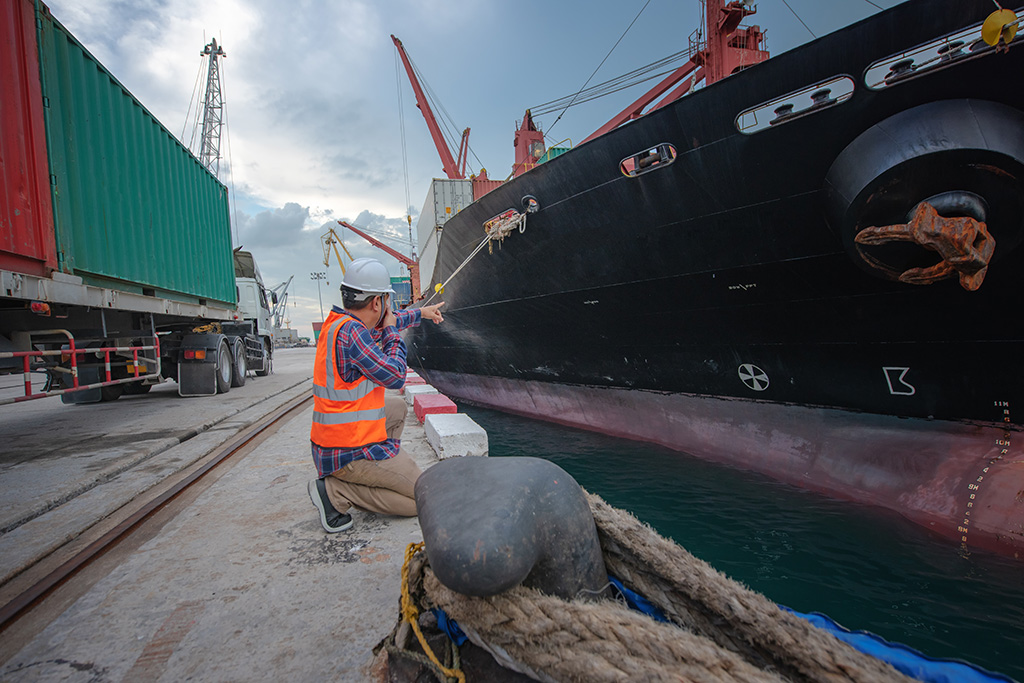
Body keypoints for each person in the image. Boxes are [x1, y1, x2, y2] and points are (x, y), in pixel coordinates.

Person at [307, 257, 444, 532]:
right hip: (348, 449)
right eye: (386, 300)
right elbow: (395, 375)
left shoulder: (338, 324)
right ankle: (336, 492)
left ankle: (381, 473)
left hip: (332, 440)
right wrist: (394, 331)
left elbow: (386, 322)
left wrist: (421, 313)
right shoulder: (354, 335)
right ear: (376, 303)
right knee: (426, 500)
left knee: (397, 410)